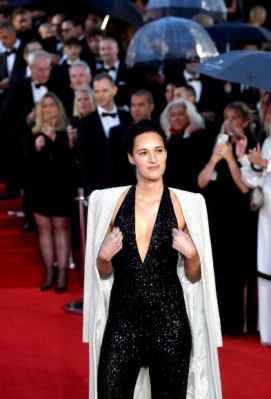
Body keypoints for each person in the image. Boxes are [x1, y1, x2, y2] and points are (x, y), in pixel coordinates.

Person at [82, 119, 222, 399]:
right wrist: (102, 259)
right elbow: (103, 273)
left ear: (166, 154)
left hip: (171, 324)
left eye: (158, 150)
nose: (153, 159)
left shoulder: (188, 205)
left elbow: (194, 277)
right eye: (144, 152)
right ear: (131, 157)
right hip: (122, 322)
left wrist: (193, 255)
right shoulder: (110, 204)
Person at [197, 101, 258, 336]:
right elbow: (202, 182)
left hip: (240, 214)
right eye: (226, 117)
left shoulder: (251, 146)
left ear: (244, 122)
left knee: (236, 269)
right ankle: (219, 321)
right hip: (218, 212)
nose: (229, 123)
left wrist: (232, 158)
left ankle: (238, 324)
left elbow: (244, 187)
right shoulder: (219, 144)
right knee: (218, 267)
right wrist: (214, 158)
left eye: (234, 118)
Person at [24, 92, 74, 293]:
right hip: (39, 188)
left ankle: (62, 272)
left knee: (59, 228)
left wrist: (55, 139)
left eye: (52, 105)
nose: (48, 109)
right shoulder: (33, 132)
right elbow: (24, 161)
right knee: (44, 230)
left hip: (60, 188)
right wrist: (35, 149)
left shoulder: (65, 132)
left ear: (58, 109)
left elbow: (68, 163)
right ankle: (49, 271)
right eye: (44, 106)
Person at [238, 91, 271, 346]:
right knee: (265, 271)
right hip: (265, 216)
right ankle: (267, 333)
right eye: (264, 102)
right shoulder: (267, 139)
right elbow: (254, 182)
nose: (264, 108)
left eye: (268, 103)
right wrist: (245, 160)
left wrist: (265, 163)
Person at [78, 72, 131, 197]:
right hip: (100, 188)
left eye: (104, 91)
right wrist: (92, 192)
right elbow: (85, 161)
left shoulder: (127, 117)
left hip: (128, 187)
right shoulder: (86, 123)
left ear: (114, 90)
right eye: (96, 91)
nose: (100, 95)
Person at [105, 88, 155, 187]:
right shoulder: (117, 132)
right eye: (133, 105)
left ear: (151, 107)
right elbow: (111, 167)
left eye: (141, 105)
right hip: (126, 189)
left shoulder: (162, 128)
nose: (136, 109)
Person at [160, 98, 210, 193]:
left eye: (181, 114)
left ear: (189, 115)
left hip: (191, 189)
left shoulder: (200, 135)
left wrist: (187, 135)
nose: (176, 118)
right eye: (173, 115)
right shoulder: (168, 138)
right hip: (170, 190)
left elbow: (189, 162)